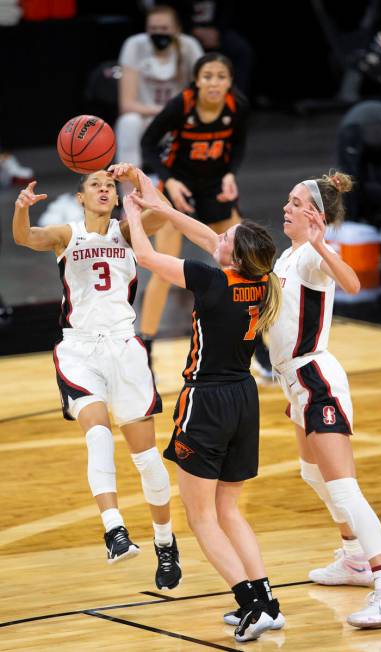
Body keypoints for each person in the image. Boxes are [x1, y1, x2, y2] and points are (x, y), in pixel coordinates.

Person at [118, 166, 284, 643]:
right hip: (244, 400)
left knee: (201, 516)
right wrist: (147, 188)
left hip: (206, 401)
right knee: (229, 510)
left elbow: (146, 253)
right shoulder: (262, 280)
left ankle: (250, 604)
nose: (217, 236)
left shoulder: (210, 281)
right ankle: (267, 601)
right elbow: (194, 229)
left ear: (231, 252)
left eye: (225, 236)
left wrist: (131, 207)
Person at [12, 169, 182, 590]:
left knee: (146, 460)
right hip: (80, 348)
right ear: (81, 197)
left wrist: (139, 180)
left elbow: (167, 211)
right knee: (98, 433)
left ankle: (165, 542)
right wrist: (20, 211)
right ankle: (114, 530)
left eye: (109, 185)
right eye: (95, 185)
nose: (104, 189)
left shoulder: (129, 231)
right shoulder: (66, 235)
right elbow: (24, 238)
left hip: (125, 348)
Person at [268, 171, 381, 629]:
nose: (286, 207)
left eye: (296, 202)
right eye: (288, 200)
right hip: (293, 380)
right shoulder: (288, 257)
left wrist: (321, 242)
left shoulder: (312, 255)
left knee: (344, 486)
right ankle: (353, 558)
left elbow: (351, 282)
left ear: (316, 215)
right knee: (311, 472)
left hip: (316, 377)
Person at [140, 51, 272, 377]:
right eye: (208, 76)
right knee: (161, 268)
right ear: (197, 80)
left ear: (229, 82)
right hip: (180, 189)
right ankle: (145, 347)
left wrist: (231, 173)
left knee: (249, 265)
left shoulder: (236, 106)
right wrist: (168, 181)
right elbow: (147, 144)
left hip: (215, 187)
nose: (214, 83)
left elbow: (238, 146)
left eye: (221, 76)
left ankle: (260, 345)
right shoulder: (181, 106)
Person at [115, 4, 203, 170]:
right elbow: (126, 104)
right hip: (147, 118)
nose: (159, 33)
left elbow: (201, 91)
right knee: (128, 122)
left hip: (179, 117)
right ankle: (129, 190)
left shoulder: (189, 46)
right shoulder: (134, 45)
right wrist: (163, 111)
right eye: (153, 28)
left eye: (164, 28)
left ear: (177, 29)